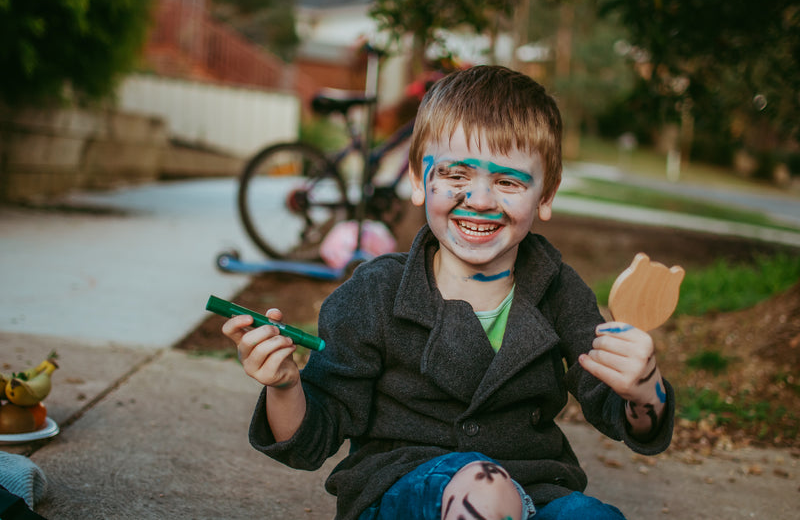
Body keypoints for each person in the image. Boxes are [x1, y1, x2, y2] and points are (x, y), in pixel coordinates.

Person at [222, 65, 674, 520]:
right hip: (402, 492)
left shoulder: (559, 290)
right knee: (486, 489)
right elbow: (313, 437)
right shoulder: (375, 292)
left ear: (545, 195)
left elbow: (625, 415)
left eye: (509, 182)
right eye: (457, 174)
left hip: (536, 492)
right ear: (420, 182)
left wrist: (644, 390)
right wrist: (284, 386)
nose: (479, 199)